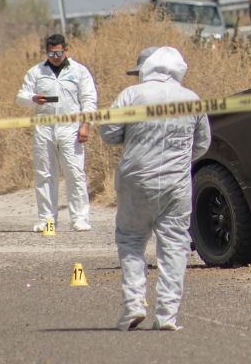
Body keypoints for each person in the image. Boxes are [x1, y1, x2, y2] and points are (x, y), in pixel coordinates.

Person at [100, 47, 211, 331]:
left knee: (131, 240)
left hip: (136, 180)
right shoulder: (192, 99)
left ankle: (134, 305)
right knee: (174, 245)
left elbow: (109, 133)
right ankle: (167, 316)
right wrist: (177, 160)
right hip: (176, 184)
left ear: (146, 68)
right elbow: (202, 144)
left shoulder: (131, 95)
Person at [16, 34, 98, 232]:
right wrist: (34, 98)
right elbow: (21, 96)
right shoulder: (36, 72)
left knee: (74, 172)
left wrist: (86, 124)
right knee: (45, 174)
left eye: (59, 52)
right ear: (46, 52)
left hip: (71, 128)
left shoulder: (79, 71)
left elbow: (89, 98)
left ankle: (79, 218)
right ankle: (47, 219)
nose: (55, 56)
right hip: (44, 128)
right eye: (51, 53)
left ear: (66, 50)